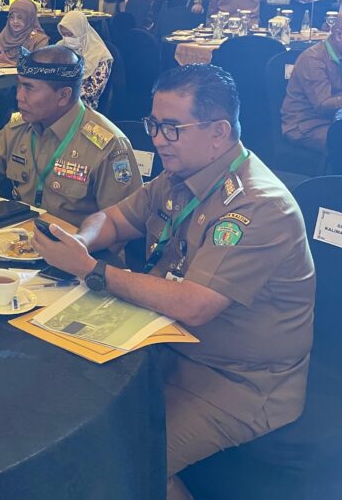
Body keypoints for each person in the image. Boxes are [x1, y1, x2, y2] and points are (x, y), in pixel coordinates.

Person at [30, 64, 314, 500]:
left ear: (218, 132)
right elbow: (115, 218)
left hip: (237, 380)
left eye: (172, 128)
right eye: (154, 125)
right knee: (61, 411)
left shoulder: (259, 206)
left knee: (119, 458)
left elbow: (195, 305)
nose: (158, 139)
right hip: (166, 345)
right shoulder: (180, 176)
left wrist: (93, 270)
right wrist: (81, 241)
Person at [0, 45, 137, 227]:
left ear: (63, 96)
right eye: (19, 85)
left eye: (29, 88)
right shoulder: (20, 126)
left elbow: (122, 224)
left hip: (77, 251)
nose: (19, 96)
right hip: (18, 240)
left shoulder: (108, 146)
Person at [281, 8, 342, 152]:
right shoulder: (313, 58)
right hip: (308, 125)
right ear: (339, 35)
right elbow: (322, 107)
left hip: (340, 119)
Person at [58, 10, 113, 109]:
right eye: (64, 34)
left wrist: (63, 95)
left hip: (83, 104)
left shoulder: (100, 54)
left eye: (70, 35)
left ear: (81, 32)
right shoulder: (60, 47)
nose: (67, 39)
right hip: (57, 99)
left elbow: (93, 91)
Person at [0, 0, 49, 64]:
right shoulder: (4, 35)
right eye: (12, 17)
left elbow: (38, 68)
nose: (15, 21)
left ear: (30, 18)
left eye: (20, 18)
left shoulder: (39, 39)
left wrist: (7, 62)